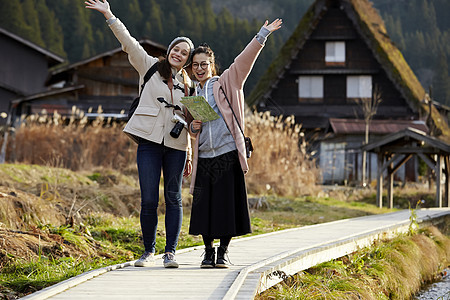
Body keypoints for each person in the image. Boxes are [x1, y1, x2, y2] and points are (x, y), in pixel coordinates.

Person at [85, 0, 194, 268]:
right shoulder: (150, 67)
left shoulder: (188, 85)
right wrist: (110, 15)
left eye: (184, 53)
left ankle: (170, 253)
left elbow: (190, 120)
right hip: (148, 143)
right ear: (169, 51)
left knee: (173, 197)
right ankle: (148, 252)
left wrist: (189, 154)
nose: (178, 54)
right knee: (148, 198)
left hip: (178, 145)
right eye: (176, 49)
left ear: (188, 60)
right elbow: (129, 42)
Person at [188, 19, 282, 268]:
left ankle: (223, 252)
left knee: (227, 206)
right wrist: (192, 127)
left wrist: (261, 35)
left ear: (211, 65)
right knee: (205, 208)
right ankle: (208, 252)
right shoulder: (191, 93)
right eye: (195, 65)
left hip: (227, 154)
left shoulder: (227, 81)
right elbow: (191, 126)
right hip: (205, 157)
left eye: (204, 64)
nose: (199, 69)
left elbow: (244, 60)